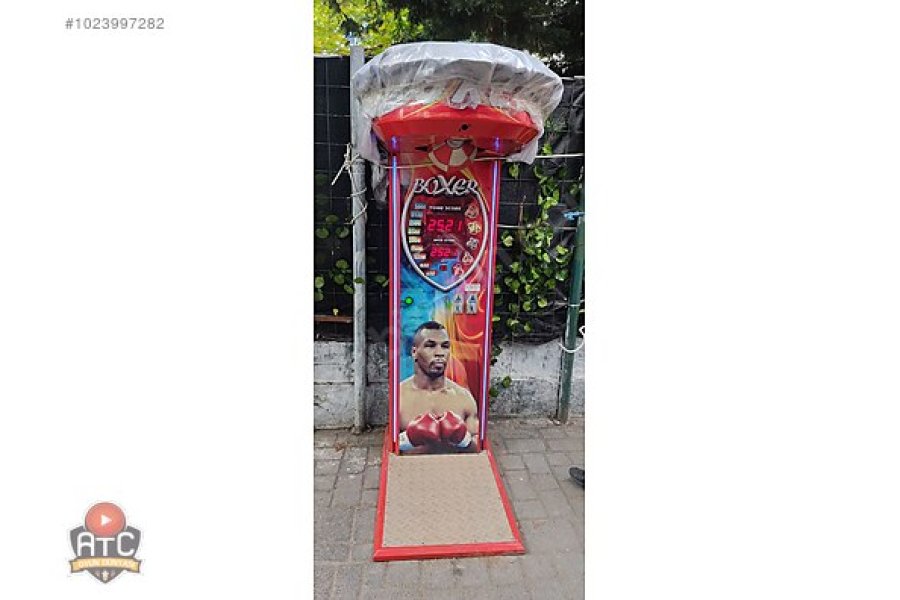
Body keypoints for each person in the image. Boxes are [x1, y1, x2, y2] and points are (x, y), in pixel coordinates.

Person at [398, 321, 479, 453]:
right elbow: (389, 448)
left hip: (453, 465)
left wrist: (464, 440)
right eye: (430, 346)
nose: (439, 353)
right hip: (412, 465)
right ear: (414, 352)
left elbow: (479, 447)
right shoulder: (399, 396)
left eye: (445, 346)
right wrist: (407, 440)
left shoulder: (464, 398)